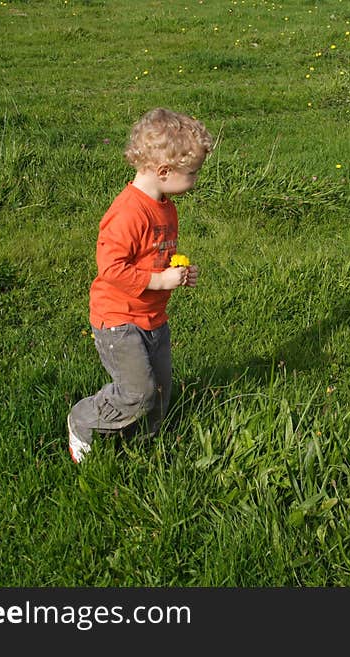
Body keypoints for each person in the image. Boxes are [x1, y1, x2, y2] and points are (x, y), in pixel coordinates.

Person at [67, 108, 213, 463]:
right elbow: (111, 269)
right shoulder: (128, 213)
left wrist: (177, 275)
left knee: (161, 392)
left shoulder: (165, 206)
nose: (195, 180)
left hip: (152, 316)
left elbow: (155, 257)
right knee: (138, 392)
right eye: (191, 173)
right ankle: (83, 420)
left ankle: (143, 445)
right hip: (119, 319)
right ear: (164, 172)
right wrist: (158, 280)